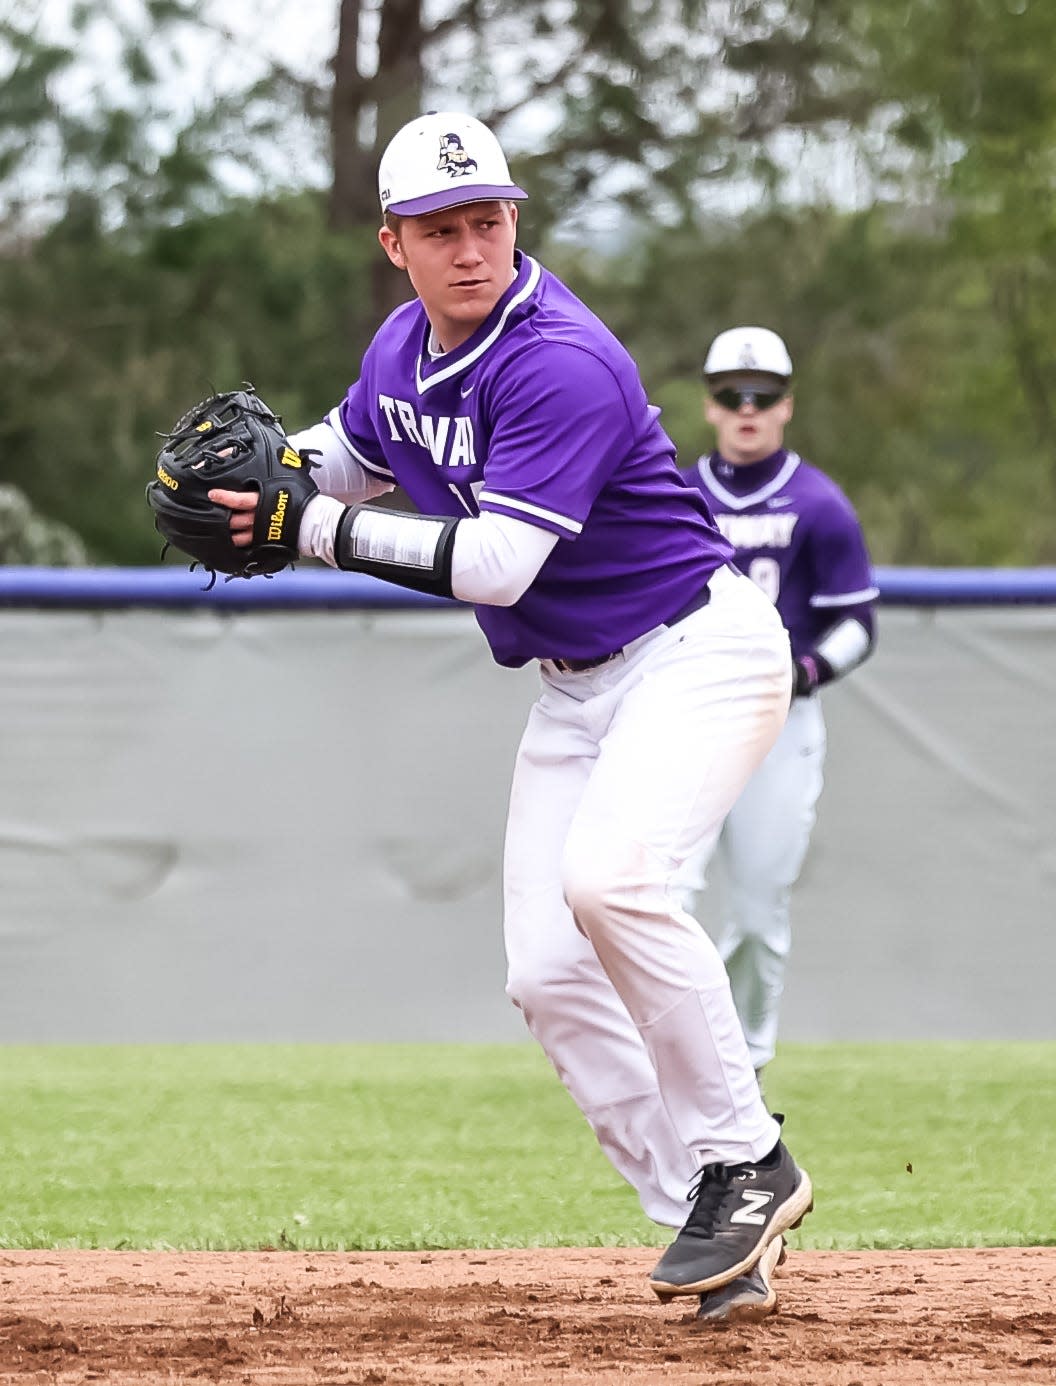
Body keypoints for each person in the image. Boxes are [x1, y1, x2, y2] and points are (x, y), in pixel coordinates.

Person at [208, 113, 812, 1321]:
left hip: (696, 652)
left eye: (488, 218)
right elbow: (352, 448)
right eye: (442, 228)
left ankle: (749, 1158)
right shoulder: (401, 347)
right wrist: (267, 478)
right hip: (576, 688)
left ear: (513, 221)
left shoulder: (559, 358)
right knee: (546, 974)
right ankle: (712, 1210)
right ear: (396, 243)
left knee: (614, 883)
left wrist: (309, 531)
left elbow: (494, 566)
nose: (472, 246)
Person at [677, 326, 878, 1078]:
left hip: (777, 722)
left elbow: (857, 623)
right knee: (663, 896)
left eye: (763, 396)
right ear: (710, 404)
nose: (748, 408)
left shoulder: (819, 504)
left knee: (759, 914)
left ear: (787, 405)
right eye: (732, 394)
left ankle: (745, 1064)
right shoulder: (679, 495)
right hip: (687, 719)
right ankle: (678, 1060)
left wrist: (803, 671)